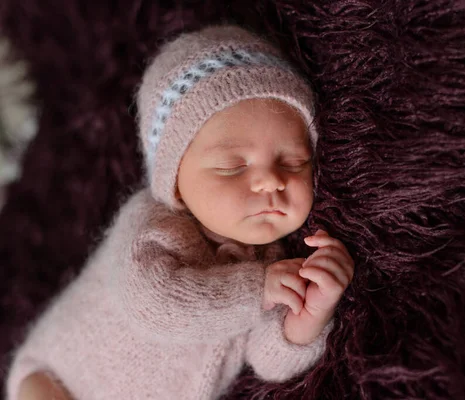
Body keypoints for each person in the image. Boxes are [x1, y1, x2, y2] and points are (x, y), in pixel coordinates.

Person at [5, 24, 354, 400]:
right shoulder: (154, 225)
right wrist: (258, 290)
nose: (271, 181)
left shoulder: (272, 262)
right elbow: (155, 304)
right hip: (56, 378)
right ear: (174, 181)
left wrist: (312, 310)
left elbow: (270, 362)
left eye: (293, 161)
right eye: (232, 167)